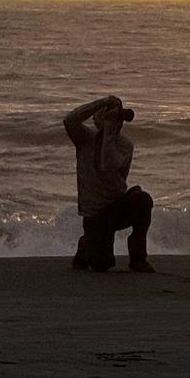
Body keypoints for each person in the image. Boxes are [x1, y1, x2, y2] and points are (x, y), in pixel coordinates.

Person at [64, 95, 154, 273]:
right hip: (95, 214)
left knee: (143, 200)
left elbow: (108, 164)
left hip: (117, 207)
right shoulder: (84, 139)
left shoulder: (125, 146)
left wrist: (110, 132)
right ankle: (86, 244)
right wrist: (103, 102)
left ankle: (138, 259)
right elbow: (70, 120)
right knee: (101, 265)